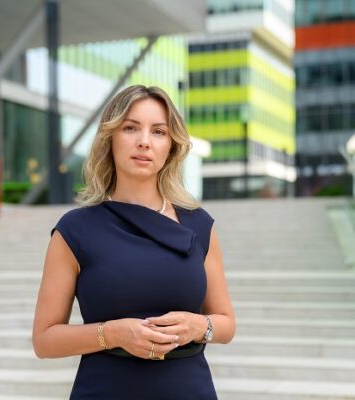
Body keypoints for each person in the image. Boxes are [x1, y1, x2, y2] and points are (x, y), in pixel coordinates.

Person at [32, 84, 236, 399]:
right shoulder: (75, 230)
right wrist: (112, 334)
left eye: (158, 132)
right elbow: (44, 340)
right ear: (110, 138)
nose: (144, 141)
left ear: (171, 146)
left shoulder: (199, 224)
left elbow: (226, 324)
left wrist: (200, 327)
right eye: (130, 128)